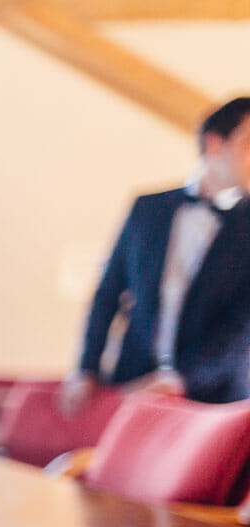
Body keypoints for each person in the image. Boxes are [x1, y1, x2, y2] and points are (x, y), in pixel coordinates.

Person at [61, 96, 250, 415]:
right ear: (215, 144)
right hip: (131, 386)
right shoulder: (146, 209)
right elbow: (107, 293)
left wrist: (177, 381)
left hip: (212, 403)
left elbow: (242, 328)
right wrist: (86, 368)